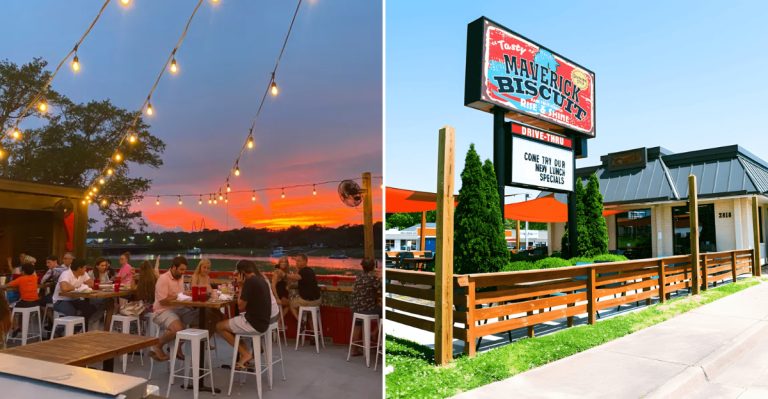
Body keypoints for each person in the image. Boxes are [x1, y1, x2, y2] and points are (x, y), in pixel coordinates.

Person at [215, 260, 279, 369]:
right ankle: (245, 354)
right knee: (233, 326)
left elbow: (240, 306)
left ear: (242, 273)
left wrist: (240, 285)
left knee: (219, 326)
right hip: (263, 321)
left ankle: (245, 354)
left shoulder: (250, 282)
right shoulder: (261, 279)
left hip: (255, 323)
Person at [150, 256, 198, 362]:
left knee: (200, 321)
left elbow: (180, 297)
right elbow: (162, 301)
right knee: (177, 328)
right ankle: (157, 345)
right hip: (162, 310)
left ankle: (178, 345)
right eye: (181, 269)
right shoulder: (163, 278)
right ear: (173, 267)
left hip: (178, 308)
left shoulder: (180, 277)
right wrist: (179, 295)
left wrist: (189, 300)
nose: (183, 272)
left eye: (184, 270)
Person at [52, 259, 97, 333]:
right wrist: (78, 286)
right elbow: (64, 288)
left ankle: (75, 329)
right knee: (72, 312)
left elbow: (92, 284)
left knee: (90, 308)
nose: (85, 269)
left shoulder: (83, 274)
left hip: (75, 299)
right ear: (80, 268)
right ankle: (62, 330)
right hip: (60, 300)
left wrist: (74, 286)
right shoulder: (66, 274)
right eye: (85, 268)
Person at [350, 258, 381, 356]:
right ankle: (375, 333)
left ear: (362, 266)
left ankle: (354, 350)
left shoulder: (358, 276)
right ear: (373, 267)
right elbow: (381, 290)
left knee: (357, 325)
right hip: (367, 310)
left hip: (355, 309)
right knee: (384, 312)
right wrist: (379, 277)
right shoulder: (373, 278)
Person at [5, 263, 41, 337]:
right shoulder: (34, 277)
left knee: (8, 308)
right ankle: (19, 327)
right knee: (20, 310)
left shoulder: (21, 279)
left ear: (23, 271)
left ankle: (15, 327)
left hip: (25, 303)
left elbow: (8, 285)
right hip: (35, 303)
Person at [191, 258, 222, 335]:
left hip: (206, 302)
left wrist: (212, 292)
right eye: (204, 267)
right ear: (200, 267)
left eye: (208, 268)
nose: (206, 270)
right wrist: (205, 287)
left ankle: (206, 340)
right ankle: (204, 340)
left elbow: (210, 291)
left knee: (218, 315)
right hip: (197, 304)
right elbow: (193, 289)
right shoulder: (195, 276)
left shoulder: (207, 277)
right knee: (214, 316)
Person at [287, 253, 321, 321]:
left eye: (299, 261)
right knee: (301, 305)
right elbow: (304, 283)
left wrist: (282, 274)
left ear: (305, 261)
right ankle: (309, 326)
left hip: (308, 301)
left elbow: (294, 277)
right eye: (296, 261)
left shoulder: (303, 271)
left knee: (290, 303)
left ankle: (301, 322)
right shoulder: (310, 270)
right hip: (317, 301)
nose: (297, 263)